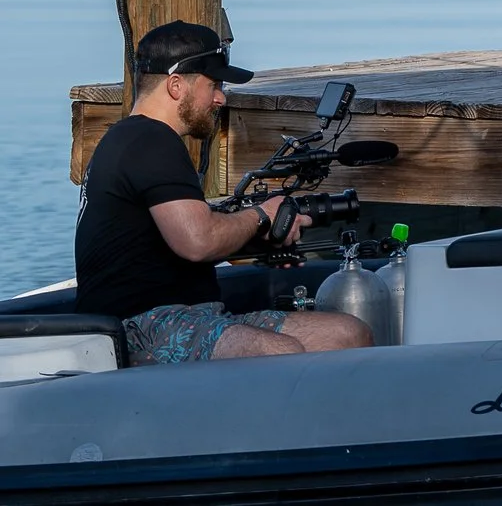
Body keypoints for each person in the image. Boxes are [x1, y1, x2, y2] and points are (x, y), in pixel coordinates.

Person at [75, 21, 372, 363]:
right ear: (175, 86)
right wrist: (263, 214)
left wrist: (261, 238)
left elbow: (167, 244)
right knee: (278, 353)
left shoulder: (135, 140)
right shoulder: (149, 141)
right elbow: (198, 241)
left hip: (197, 317)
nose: (221, 97)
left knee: (347, 335)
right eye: (213, 84)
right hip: (140, 326)